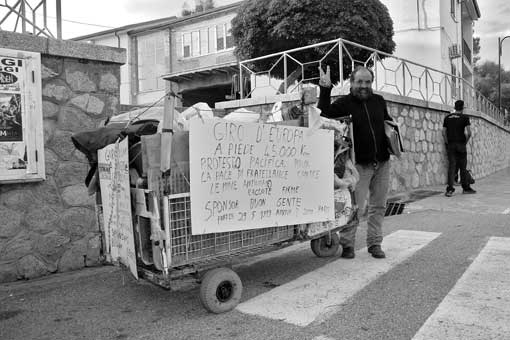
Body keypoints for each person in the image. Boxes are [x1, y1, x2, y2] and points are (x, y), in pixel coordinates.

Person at [317, 65, 392, 259]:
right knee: (354, 207)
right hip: (359, 166)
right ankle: (348, 245)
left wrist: (394, 137)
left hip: (382, 163)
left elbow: (388, 123)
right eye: (359, 82)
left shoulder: (379, 101)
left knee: (379, 206)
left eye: (367, 82)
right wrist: (325, 89)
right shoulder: (345, 103)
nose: (364, 86)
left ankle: (375, 243)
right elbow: (323, 113)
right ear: (352, 83)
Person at [442, 100, 476, 197]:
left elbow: (443, 133)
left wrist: (447, 143)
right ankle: (466, 188)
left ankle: (449, 190)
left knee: (452, 167)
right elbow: (469, 133)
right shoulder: (465, 117)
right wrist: (465, 142)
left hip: (451, 145)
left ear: (455, 107)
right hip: (461, 145)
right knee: (463, 167)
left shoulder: (447, 117)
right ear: (463, 108)